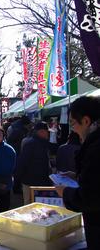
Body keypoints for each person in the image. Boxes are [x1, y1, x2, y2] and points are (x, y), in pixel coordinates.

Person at [55, 96, 100, 249]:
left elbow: (90, 198)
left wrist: (65, 192)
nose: (73, 128)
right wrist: (77, 176)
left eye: (73, 123)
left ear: (86, 121)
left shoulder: (95, 149)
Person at [16, 121, 52, 205]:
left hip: (33, 182)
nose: (48, 134)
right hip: (33, 182)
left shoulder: (33, 143)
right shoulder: (32, 144)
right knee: (34, 207)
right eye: (47, 132)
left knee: (31, 207)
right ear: (41, 132)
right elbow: (22, 163)